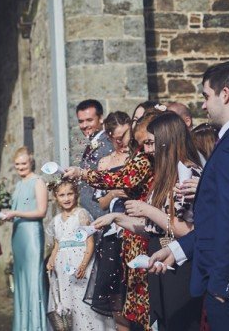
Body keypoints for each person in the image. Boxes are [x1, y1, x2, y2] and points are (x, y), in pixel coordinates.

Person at [149, 60, 229, 330]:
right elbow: (218, 218)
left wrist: (221, 286)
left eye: (206, 96)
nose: (204, 105)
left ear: (225, 95)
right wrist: (179, 248)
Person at [99, 112, 204, 330]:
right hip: (161, 258)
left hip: (180, 264)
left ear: (168, 140)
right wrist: (117, 218)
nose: (147, 150)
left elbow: (185, 229)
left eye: (151, 143)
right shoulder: (165, 174)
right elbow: (153, 228)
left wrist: (147, 209)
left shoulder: (188, 172)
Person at [64, 109, 161, 331]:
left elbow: (120, 178)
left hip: (143, 232)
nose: (130, 143)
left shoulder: (145, 159)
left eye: (130, 136)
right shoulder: (144, 155)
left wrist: (82, 174)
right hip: (132, 228)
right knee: (133, 299)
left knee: (144, 302)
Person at [85, 111, 130, 330]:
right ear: (109, 137)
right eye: (117, 137)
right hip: (113, 230)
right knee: (114, 295)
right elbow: (101, 203)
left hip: (134, 224)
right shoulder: (104, 162)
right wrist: (113, 193)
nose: (122, 142)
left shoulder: (137, 159)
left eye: (125, 135)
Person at [46, 180, 110, 331]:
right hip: (63, 266)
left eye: (70, 194)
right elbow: (58, 244)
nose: (66, 198)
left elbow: (90, 243)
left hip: (79, 262)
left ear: (76, 194)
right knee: (67, 301)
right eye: (62, 195)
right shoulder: (56, 220)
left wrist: (83, 265)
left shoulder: (81, 214)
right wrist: (51, 259)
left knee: (81, 301)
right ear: (56, 197)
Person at [0, 146, 47, 331]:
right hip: (18, 236)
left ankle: (36, 326)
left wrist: (15, 212)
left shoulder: (38, 182)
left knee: (33, 280)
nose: (21, 167)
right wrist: (6, 215)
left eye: (24, 163)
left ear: (31, 162)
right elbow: (17, 210)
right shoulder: (19, 184)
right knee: (20, 280)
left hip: (32, 236)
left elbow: (41, 211)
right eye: (17, 164)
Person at [75, 99, 114, 220]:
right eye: (81, 121)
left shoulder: (108, 143)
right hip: (91, 214)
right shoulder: (92, 143)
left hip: (103, 213)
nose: (85, 125)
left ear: (101, 118)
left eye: (89, 120)